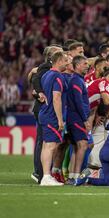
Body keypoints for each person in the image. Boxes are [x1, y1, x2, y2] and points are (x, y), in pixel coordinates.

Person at [30, 45, 63, 183]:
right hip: (46, 109)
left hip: (45, 109)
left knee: (44, 142)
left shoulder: (49, 71)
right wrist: (39, 92)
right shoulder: (46, 67)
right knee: (45, 142)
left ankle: (44, 174)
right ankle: (41, 173)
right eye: (58, 53)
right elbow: (35, 79)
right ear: (52, 56)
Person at [38, 51, 70, 186]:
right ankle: (46, 176)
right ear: (59, 61)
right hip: (52, 115)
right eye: (66, 60)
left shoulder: (46, 75)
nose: (68, 63)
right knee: (50, 146)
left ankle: (47, 175)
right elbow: (56, 98)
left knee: (47, 145)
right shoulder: (58, 76)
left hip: (45, 112)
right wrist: (60, 119)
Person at [66, 55, 92, 180]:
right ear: (77, 66)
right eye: (84, 64)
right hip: (76, 118)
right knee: (83, 144)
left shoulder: (78, 80)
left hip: (74, 117)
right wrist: (85, 119)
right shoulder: (76, 80)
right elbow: (78, 101)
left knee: (77, 146)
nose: (87, 66)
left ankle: (72, 175)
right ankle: (77, 176)